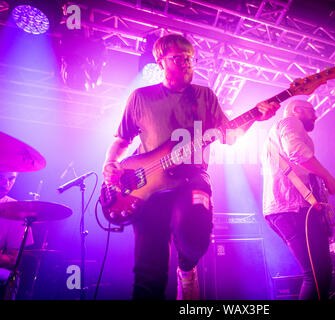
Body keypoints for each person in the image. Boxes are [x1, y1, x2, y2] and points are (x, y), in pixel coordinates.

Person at [102, 34, 279, 300]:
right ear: (160, 61)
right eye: (178, 58)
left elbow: (229, 136)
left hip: (192, 179)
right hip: (147, 188)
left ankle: (187, 270)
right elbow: (122, 139)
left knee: (194, 236)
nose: (186, 63)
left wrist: (255, 116)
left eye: (190, 58)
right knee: (148, 271)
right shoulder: (140, 98)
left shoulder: (204, 95)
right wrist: (110, 162)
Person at [261, 99, 335, 300]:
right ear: (296, 110)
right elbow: (296, 152)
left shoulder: (275, 133)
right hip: (293, 209)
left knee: (318, 273)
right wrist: (327, 176)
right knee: (316, 274)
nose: (315, 116)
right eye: (312, 111)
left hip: (284, 210)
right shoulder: (289, 122)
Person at [0, 171, 33, 299]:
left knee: (10, 277)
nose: (6, 184)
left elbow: (13, 260)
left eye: (11, 179)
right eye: (1, 177)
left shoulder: (16, 210)